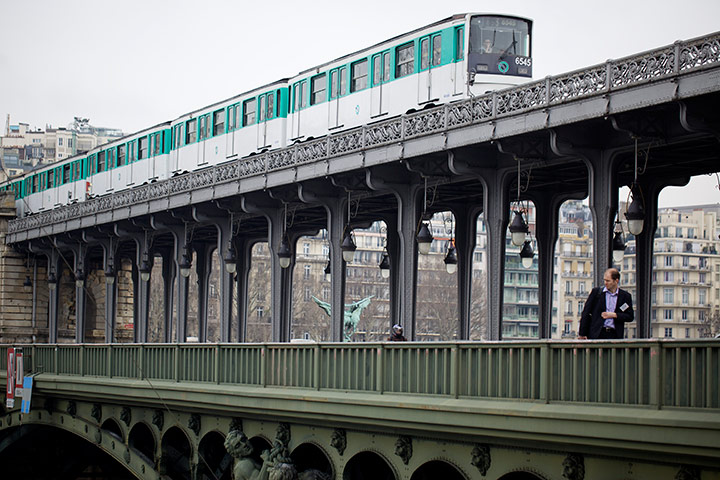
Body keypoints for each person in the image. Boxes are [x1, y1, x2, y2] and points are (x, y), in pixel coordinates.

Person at [579, 268, 634, 339]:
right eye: (604, 280)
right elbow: (586, 313)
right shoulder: (596, 293)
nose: (605, 283)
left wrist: (614, 315)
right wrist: (582, 334)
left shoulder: (625, 296)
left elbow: (630, 316)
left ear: (616, 281)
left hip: (615, 334)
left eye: (608, 281)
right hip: (597, 334)